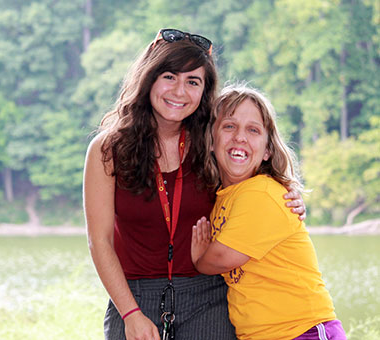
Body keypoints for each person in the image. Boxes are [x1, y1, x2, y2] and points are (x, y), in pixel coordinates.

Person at [84, 29, 306, 340]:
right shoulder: (107, 149)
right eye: (169, 76)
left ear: (204, 91)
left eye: (193, 81)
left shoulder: (212, 141)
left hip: (208, 297)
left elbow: (255, 178)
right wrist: (130, 313)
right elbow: (100, 241)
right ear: (149, 79)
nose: (179, 91)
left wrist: (289, 192)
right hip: (133, 297)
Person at [191, 84, 347, 340]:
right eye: (229, 126)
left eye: (253, 130)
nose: (240, 137)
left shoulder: (261, 192)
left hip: (302, 331)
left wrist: (200, 259)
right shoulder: (226, 197)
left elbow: (220, 258)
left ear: (267, 151)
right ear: (211, 140)